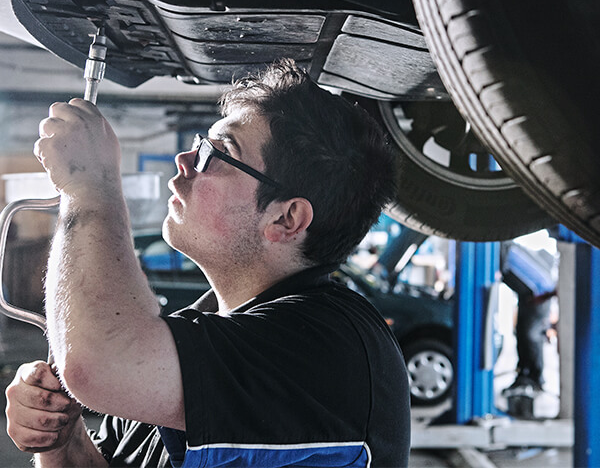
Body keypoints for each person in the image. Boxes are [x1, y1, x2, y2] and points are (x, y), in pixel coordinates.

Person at [5, 59, 411, 467]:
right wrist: (62, 439)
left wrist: (91, 185)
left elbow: (98, 365)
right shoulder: (192, 342)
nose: (186, 159)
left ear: (286, 219)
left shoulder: (331, 348)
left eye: (218, 153)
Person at [500, 241, 557, 396]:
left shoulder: (501, 250)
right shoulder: (506, 247)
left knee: (530, 336)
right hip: (528, 297)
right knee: (521, 335)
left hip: (539, 296)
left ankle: (535, 378)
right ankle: (524, 374)